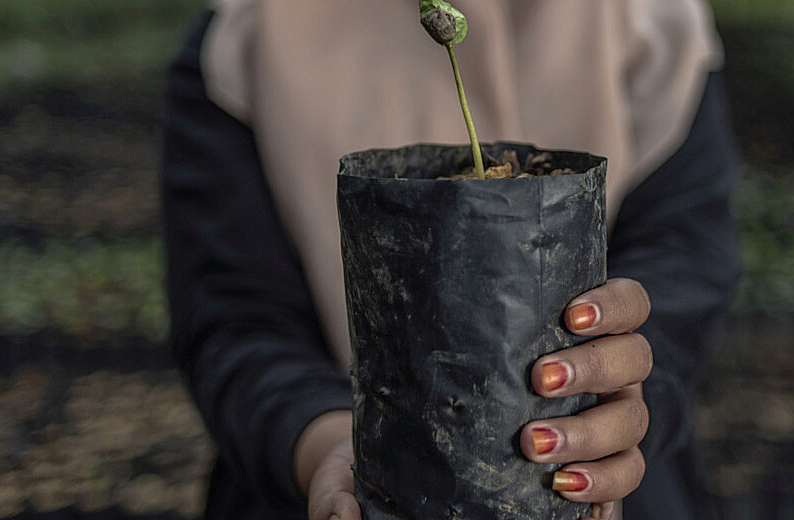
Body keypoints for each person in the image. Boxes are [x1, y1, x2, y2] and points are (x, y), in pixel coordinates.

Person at [161, 1, 741, 519]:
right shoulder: (245, 35)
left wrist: (616, 400)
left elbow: (684, 265)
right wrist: (328, 445)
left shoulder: (654, 25)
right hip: (322, 479)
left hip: (597, 492)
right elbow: (233, 315)